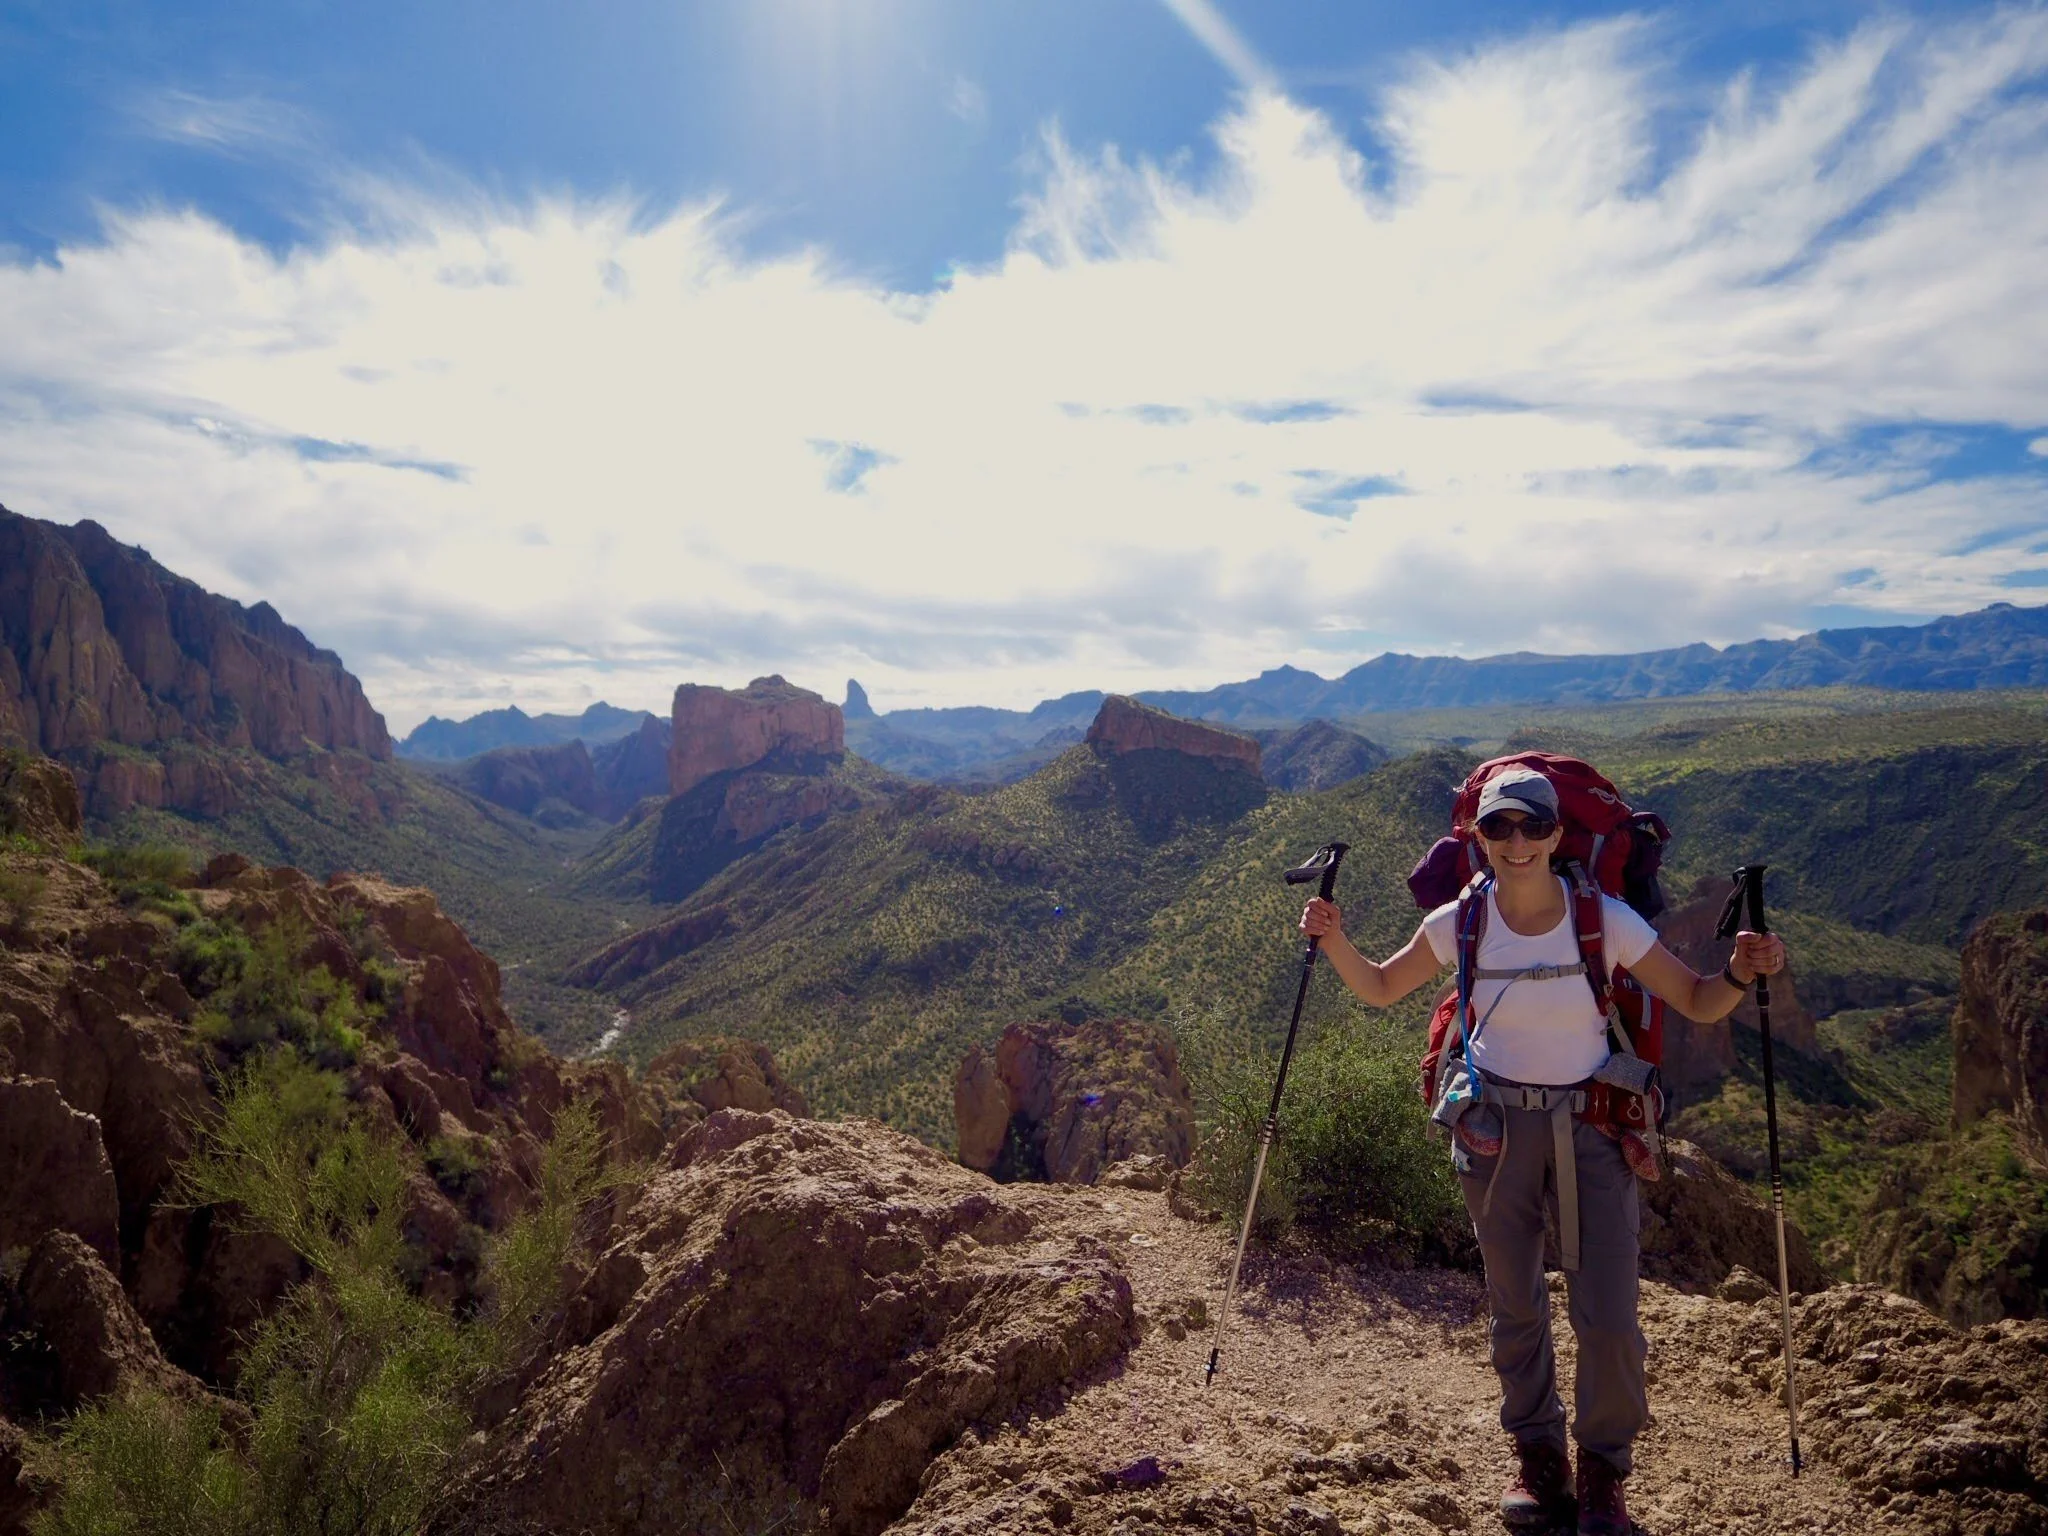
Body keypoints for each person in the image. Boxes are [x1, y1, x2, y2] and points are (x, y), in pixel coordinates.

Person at [1298, 767, 1786, 1536]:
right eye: (1499, 829)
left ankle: (1602, 1474)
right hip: (1495, 1130)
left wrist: (1737, 972)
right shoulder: (1463, 921)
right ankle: (1539, 1461)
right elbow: (1384, 988)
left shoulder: (1606, 918)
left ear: (1558, 835)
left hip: (1593, 1129)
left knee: (1610, 1316)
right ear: (1479, 839)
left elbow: (1695, 999)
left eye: (1532, 827)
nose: (1516, 842)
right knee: (1515, 1305)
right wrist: (1332, 940)